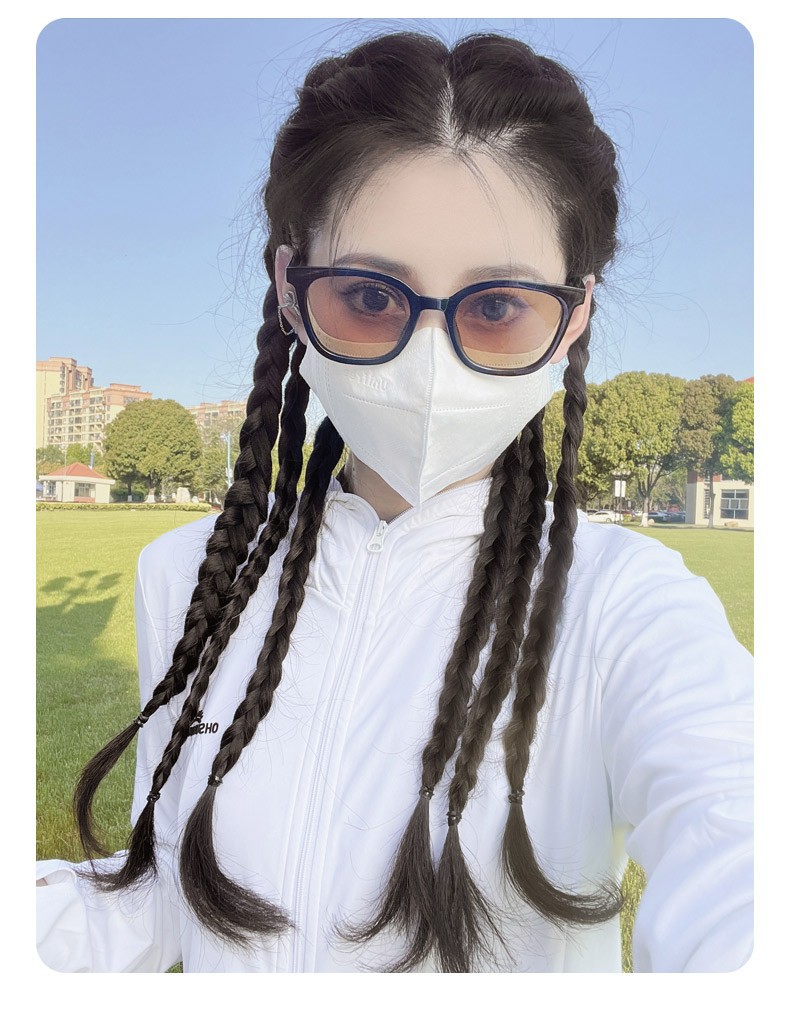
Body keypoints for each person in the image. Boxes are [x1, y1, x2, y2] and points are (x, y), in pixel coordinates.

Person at [36, 30, 753, 973]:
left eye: (496, 307)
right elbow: (172, 881)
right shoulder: (189, 577)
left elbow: (740, 844)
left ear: (574, 316)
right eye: (370, 297)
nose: (430, 361)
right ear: (290, 292)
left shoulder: (627, 607)